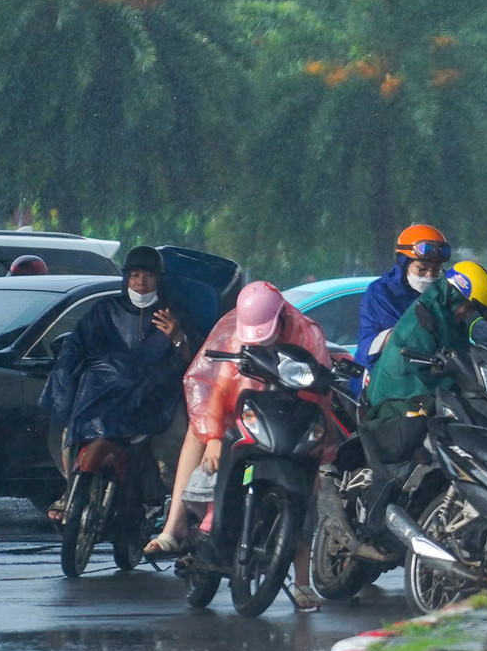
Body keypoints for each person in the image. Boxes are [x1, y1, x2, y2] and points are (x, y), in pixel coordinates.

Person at [144, 281, 332, 609]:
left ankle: (302, 581)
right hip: (241, 419)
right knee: (198, 435)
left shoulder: (307, 333)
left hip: (289, 424)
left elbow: (320, 393)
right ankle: (173, 526)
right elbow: (212, 388)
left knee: (307, 489)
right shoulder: (232, 333)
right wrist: (213, 438)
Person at [40, 246, 193, 521]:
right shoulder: (104, 311)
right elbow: (75, 346)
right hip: (101, 397)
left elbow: (191, 363)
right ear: (126, 278)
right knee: (68, 435)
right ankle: (71, 490)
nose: (140, 282)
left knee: (173, 453)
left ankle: (167, 508)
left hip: (154, 399)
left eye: (147, 276)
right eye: (134, 275)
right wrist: (67, 371)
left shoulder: (175, 313)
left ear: (159, 278)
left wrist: (178, 337)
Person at [362, 261, 487, 449]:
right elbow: (419, 374)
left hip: (413, 399)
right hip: (395, 404)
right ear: (453, 295)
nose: (468, 314)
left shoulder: (447, 319)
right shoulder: (425, 321)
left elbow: (462, 356)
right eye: (468, 307)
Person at [356, 224, 452, 375]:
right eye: (422, 269)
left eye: (435, 270)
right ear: (403, 262)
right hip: (379, 376)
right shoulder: (380, 293)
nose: (429, 276)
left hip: (428, 377)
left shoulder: (441, 294)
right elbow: (372, 343)